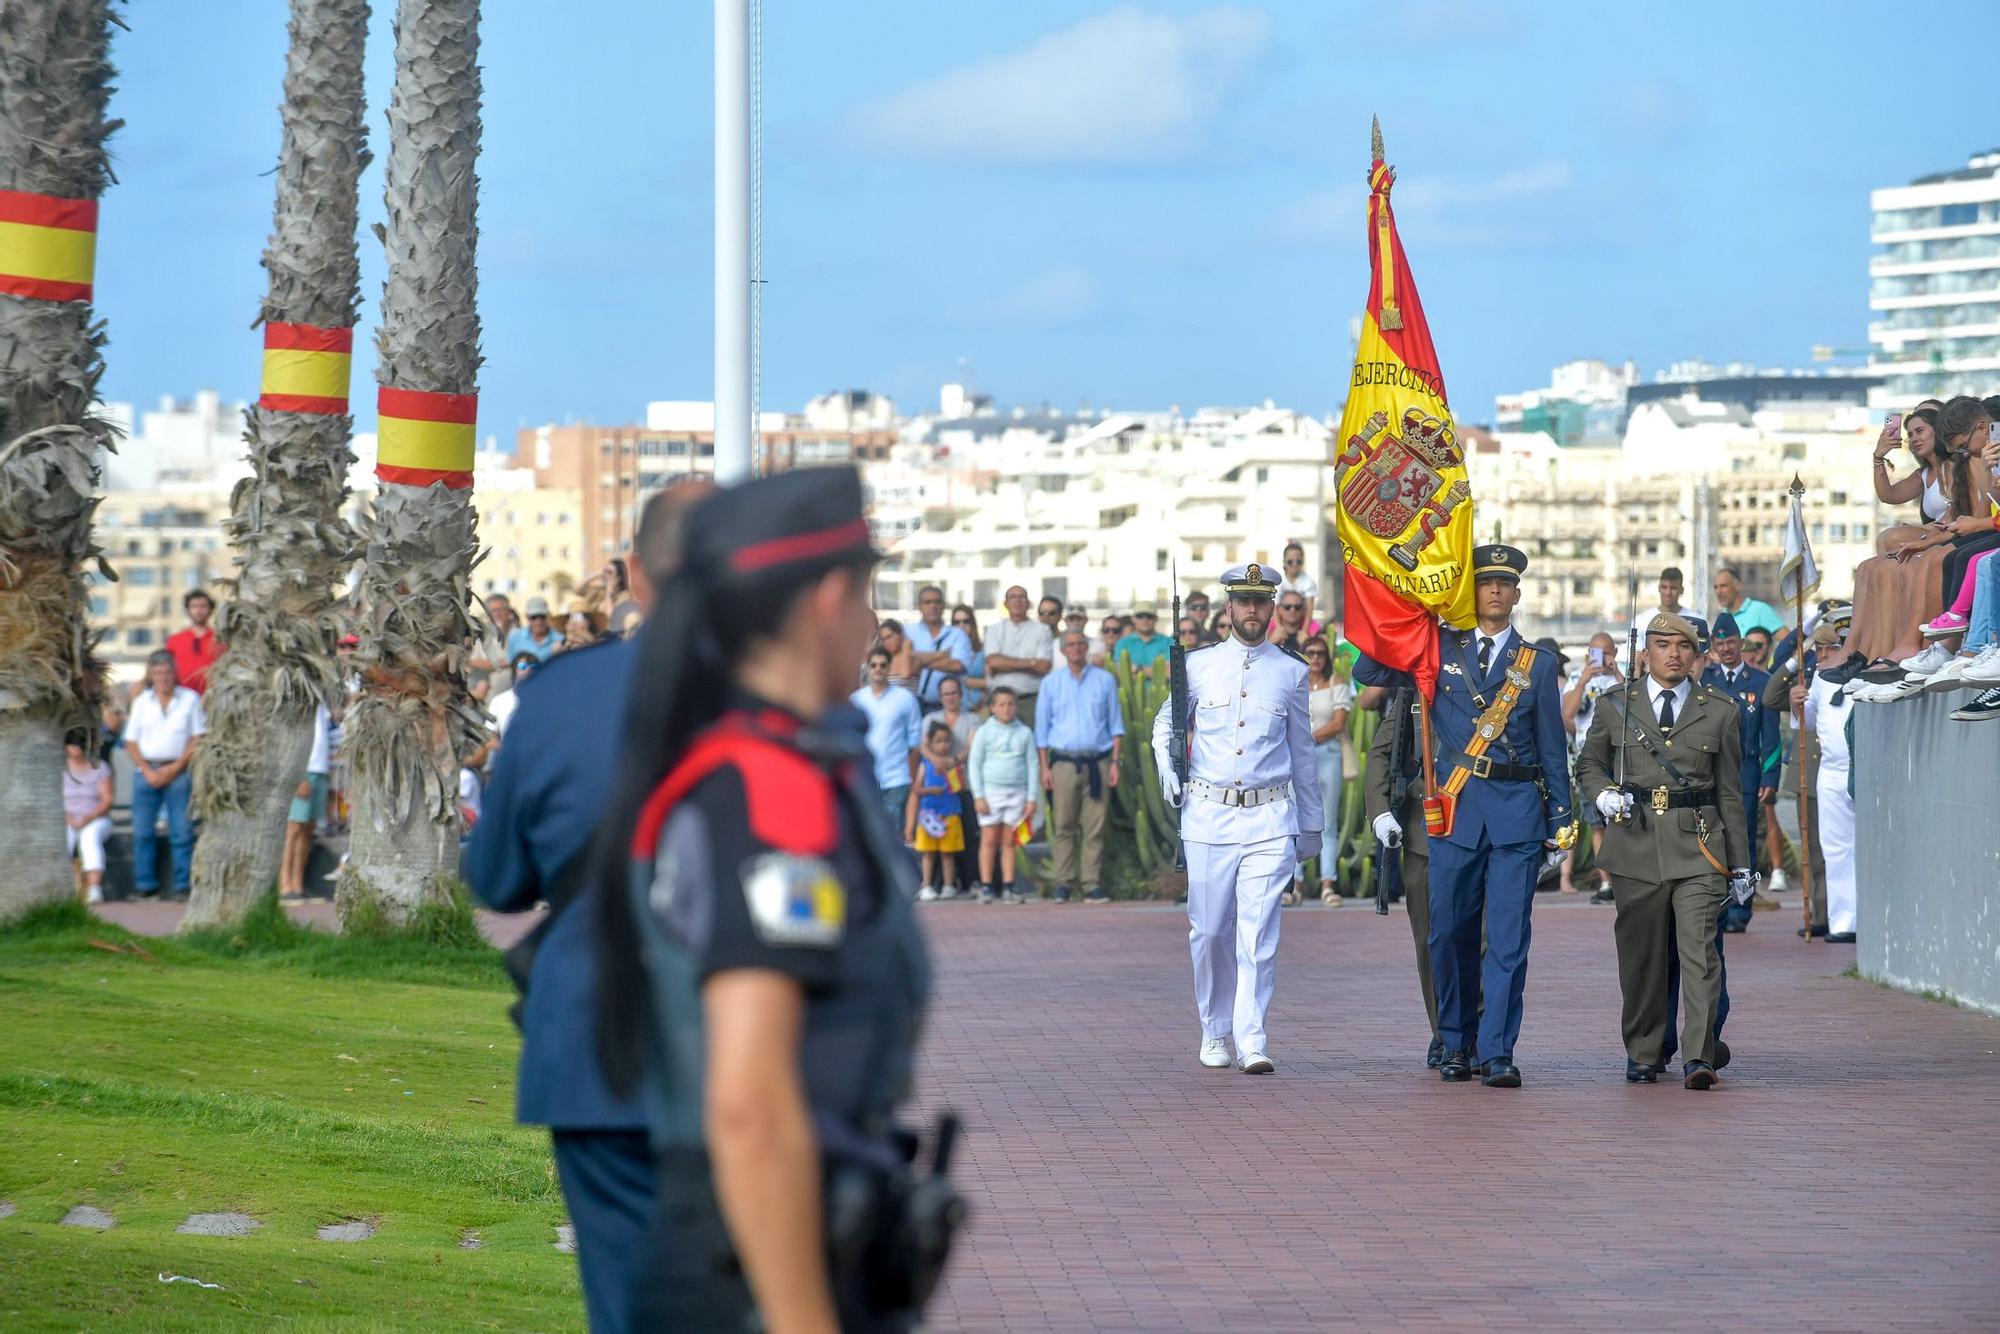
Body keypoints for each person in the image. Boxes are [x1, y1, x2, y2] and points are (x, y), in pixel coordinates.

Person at [591, 467, 955, 1332]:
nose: (874, 625)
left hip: (774, 1242)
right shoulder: (769, 790)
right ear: (829, 599)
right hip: (755, 1268)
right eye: (868, 595)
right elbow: (752, 1103)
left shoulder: (772, 764)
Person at [464, 483, 704, 1334]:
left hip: (599, 1045)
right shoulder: (789, 692)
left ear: (635, 574)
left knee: (628, 1303)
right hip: (755, 1041)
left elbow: (496, 880)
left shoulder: (560, 695)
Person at [1152, 561, 1320, 1075]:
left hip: (1270, 818)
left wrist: (1310, 827)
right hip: (1207, 814)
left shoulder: (1291, 672)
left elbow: (1303, 752)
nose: (1252, 610)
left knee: (1258, 935)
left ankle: (1252, 1038)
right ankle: (1214, 1030)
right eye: (1243, 601)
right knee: (1207, 932)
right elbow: (1166, 724)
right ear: (1228, 608)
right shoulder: (1198, 666)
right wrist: (1167, 768)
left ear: (1272, 607)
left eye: (1261, 601)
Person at [1577, 613, 1752, 1090]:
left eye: (1682, 645)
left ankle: (1699, 1055)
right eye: (1661, 644)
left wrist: (1741, 863)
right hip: (1635, 844)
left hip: (1698, 845)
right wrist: (1603, 793)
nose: (1672, 653)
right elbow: (1588, 763)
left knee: (1699, 951)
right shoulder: (1617, 705)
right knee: (1642, 957)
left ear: (1697, 655)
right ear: (1645, 652)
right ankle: (1644, 1049)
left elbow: (1729, 791)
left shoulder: (1720, 709)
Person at [1422, 545, 1573, 1088]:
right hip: (1456, 812)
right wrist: (1412, 605)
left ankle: (1498, 1050)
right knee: (1448, 932)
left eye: (1504, 584)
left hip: (1515, 815)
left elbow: (1552, 747)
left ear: (1516, 594)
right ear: (1473, 590)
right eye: (1485, 582)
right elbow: (1371, 666)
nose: (1494, 592)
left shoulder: (1538, 664)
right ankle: (1455, 1042)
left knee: (1508, 939)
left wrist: (1562, 816)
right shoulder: (1438, 646)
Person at [1363, 684, 1441, 1067]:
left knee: (1484, 936)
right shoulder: (1417, 683)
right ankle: (1446, 1032)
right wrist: (1379, 810)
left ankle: (1479, 1032)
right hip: (1425, 823)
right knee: (1429, 936)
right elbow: (1383, 750)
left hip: (1486, 820)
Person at [1702, 612, 1779, 933]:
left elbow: (1770, 736)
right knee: (1712, 839)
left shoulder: (1761, 682)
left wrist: (1769, 777)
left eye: (1731, 642)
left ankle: (1740, 910)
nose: (1726, 649)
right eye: (1720, 643)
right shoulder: (1706, 682)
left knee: (1743, 842)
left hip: (1746, 776)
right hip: (1710, 777)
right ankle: (1716, 903)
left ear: (1741, 642)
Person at [1035, 626, 1124, 903]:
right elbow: (1042, 730)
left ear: (1086, 648)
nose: (1076, 648)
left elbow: (1116, 725)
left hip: (1097, 762)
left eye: (1080, 644)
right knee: (1063, 825)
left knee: (1093, 827)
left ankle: (1091, 884)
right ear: (1062, 650)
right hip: (1063, 763)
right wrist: (1045, 767)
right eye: (1070, 644)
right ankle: (1063, 883)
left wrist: (1114, 763)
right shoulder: (1050, 683)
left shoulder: (1105, 680)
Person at [125, 650, 206, 900]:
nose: (162, 678)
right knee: (142, 832)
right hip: (146, 771)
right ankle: (146, 885)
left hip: (178, 771)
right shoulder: (141, 702)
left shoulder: (190, 699)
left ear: (174, 673)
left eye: (167, 672)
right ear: (151, 675)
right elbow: (130, 741)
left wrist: (176, 766)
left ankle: (182, 885)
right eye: (157, 673)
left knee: (181, 831)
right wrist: (148, 770)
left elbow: (198, 737)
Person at [1561, 631, 1624, 901]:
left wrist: (1619, 674)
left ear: (1615, 653)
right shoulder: (1578, 678)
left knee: (1622, 820)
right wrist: (1585, 679)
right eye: (1596, 653)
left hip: (1620, 754)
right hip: (1591, 758)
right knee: (1596, 823)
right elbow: (1567, 713)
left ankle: (1624, 879)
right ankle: (1606, 882)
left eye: (1607, 652)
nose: (1601, 658)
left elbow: (1637, 706)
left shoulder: (1622, 678)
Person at [1801, 663, 1858, 943]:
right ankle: (1843, 922)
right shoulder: (1823, 678)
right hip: (1832, 770)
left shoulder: (1874, 665)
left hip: (1868, 765)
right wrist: (1796, 701)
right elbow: (1807, 721)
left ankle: (1866, 917)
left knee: (1869, 846)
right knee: (1835, 849)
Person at [968, 686, 1036, 904]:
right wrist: (978, 795)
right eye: (1002, 704)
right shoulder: (984, 732)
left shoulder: (1024, 732)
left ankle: (1009, 885)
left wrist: (1031, 798)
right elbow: (974, 764)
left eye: (1011, 704)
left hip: (1017, 792)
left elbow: (1032, 765)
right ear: (992, 708)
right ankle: (987, 885)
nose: (1007, 709)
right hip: (991, 792)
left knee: (1009, 841)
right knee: (989, 839)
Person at [1295, 638, 1351, 905]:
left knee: (1327, 822)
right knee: (1296, 820)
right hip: (1298, 758)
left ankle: (1328, 884)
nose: (1315, 658)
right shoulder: (1294, 684)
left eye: (1320, 653)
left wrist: (1307, 739)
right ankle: (1295, 884)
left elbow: (1339, 723)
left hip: (1327, 754)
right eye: (1310, 653)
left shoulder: (1336, 682)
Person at [853, 646, 922, 828]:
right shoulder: (856, 700)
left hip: (896, 777)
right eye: (874, 665)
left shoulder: (906, 698)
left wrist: (911, 776)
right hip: (865, 777)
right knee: (868, 832)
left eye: (883, 665)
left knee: (893, 832)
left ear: (889, 667)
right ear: (867, 668)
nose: (878, 669)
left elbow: (915, 740)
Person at [907, 720, 967, 901]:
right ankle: (926, 885)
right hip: (929, 816)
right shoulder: (925, 765)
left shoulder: (954, 765)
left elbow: (960, 788)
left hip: (949, 814)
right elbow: (917, 789)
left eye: (946, 741)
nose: (943, 745)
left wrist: (954, 776)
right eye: (939, 741)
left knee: (948, 853)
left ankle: (948, 885)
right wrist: (931, 791)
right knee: (928, 853)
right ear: (930, 744)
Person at [279, 702, 333, 900]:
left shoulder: (321, 706)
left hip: (320, 771)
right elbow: (289, 741)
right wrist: (298, 774)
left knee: (307, 830)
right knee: (294, 828)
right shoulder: (297, 704)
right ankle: (284, 884)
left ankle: (298, 884)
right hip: (304, 772)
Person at [983, 585, 1054, 728]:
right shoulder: (994, 630)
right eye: (1013, 597)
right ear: (1005, 604)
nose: (1017, 601)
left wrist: (1004, 664)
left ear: (1028, 603)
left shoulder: (1042, 630)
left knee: (1031, 745)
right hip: (1000, 702)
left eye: (1022, 597)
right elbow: (994, 661)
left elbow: (1044, 666)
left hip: (1030, 701)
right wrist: (1031, 663)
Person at [62, 728, 113, 904]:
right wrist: (68, 818)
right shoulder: (59, 768)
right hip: (66, 819)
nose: (76, 748)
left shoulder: (100, 768)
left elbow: (107, 800)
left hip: (95, 818)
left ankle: (94, 889)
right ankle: (62, 888)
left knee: (89, 839)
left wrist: (88, 818)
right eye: (73, 744)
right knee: (64, 839)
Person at [906, 584, 972, 710]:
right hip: (915, 705)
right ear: (919, 606)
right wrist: (941, 656)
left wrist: (919, 660)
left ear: (943, 606)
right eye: (928, 602)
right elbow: (904, 663)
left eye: (937, 602)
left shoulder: (957, 634)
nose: (933, 606)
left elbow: (957, 665)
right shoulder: (908, 632)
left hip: (950, 707)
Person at [165, 588, 223, 694]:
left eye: (203, 606)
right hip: (182, 696)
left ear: (211, 609)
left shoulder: (221, 640)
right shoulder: (175, 640)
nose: (199, 611)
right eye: (194, 606)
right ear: (188, 610)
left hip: (213, 695)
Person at [1710, 567, 1783, 640]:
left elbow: (1787, 640)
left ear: (1737, 586)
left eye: (1723, 586)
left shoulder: (1759, 610)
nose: (1718, 592)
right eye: (1716, 587)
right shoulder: (1721, 618)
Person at [487, 651, 541, 739]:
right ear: (514, 669)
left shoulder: (546, 700)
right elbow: (490, 735)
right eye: (522, 667)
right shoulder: (499, 701)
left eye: (533, 667)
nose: (527, 670)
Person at [948, 604, 987, 709]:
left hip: (979, 706)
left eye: (966, 621)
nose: (962, 626)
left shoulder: (983, 650)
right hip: (954, 707)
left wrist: (967, 682)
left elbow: (992, 681)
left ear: (973, 624)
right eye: (957, 622)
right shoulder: (946, 650)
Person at [1113, 605, 1172, 672]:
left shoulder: (1169, 642)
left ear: (1156, 618)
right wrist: (1158, 670)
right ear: (1133, 619)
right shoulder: (1122, 643)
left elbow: (1171, 673)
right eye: (1140, 616)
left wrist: (1138, 668)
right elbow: (1120, 672)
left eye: (1149, 616)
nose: (1145, 620)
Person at [507, 596, 565, 663]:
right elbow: (513, 665)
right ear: (527, 617)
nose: (539, 621)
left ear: (548, 616)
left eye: (542, 616)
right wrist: (523, 666)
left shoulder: (561, 640)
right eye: (534, 617)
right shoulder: (515, 638)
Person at [1277, 541, 1319, 628]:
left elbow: (1309, 609)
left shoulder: (1309, 582)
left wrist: (1304, 631)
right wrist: (1279, 627)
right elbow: (1274, 607)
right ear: (1284, 562)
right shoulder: (1278, 581)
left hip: (1302, 621)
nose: (1294, 565)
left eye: (1298, 562)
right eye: (1290, 562)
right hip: (1281, 621)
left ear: (1303, 562)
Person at [875, 618, 919, 691]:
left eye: (889, 637)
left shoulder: (913, 656)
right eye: (883, 639)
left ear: (901, 635)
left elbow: (906, 674)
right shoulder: (884, 660)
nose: (886, 642)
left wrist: (906, 647)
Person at [1270, 591, 1312, 655]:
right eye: (1287, 607)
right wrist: (1272, 642)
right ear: (1279, 610)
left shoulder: (1313, 633)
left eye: (1297, 607)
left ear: (1303, 611)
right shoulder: (1266, 632)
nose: (1293, 610)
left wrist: (1307, 645)